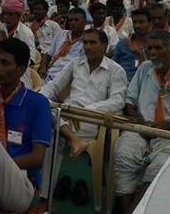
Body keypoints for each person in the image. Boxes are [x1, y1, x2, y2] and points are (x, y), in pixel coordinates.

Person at [39, 28, 127, 203]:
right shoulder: (75, 63)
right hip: (68, 114)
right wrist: (40, 98)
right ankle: (45, 195)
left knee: (52, 129)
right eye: (85, 42)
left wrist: (88, 109)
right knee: (45, 114)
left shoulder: (115, 70)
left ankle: (59, 185)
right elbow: (54, 86)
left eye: (92, 42)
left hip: (91, 118)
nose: (87, 46)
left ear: (104, 45)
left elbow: (118, 101)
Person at [0, 38, 51, 214]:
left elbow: (37, 158)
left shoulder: (38, 103)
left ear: (20, 70)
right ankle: (0, 213)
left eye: (5, 63)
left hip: (19, 182)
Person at [113, 30, 170, 214]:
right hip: (142, 128)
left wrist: (162, 128)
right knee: (123, 154)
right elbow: (129, 101)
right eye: (149, 48)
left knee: (160, 166)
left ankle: (132, 213)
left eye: (158, 47)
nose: (152, 52)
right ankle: (128, 210)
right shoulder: (144, 68)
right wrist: (142, 124)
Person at [39, 8, 87, 83]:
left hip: (70, 80)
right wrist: (43, 68)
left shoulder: (88, 40)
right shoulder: (61, 34)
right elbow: (48, 54)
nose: (73, 23)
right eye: (70, 20)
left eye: (76, 20)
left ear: (84, 22)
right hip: (50, 75)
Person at [113, 8, 152, 82]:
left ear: (150, 24)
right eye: (135, 22)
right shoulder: (122, 44)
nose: (137, 25)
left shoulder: (155, 45)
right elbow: (113, 68)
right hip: (123, 85)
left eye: (141, 22)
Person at [1, 0, 38, 64]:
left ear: (18, 16)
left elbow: (31, 59)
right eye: (5, 14)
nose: (6, 17)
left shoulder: (27, 33)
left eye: (10, 14)